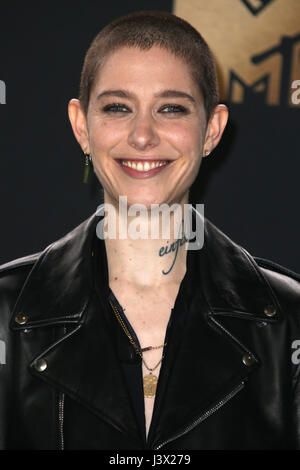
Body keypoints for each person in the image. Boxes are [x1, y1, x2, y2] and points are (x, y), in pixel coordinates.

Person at [0, 10, 299, 451]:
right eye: (118, 107)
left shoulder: (288, 321)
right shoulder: (6, 314)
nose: (142, 136)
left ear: (211, 131)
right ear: (82, 127)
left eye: (171, 108)